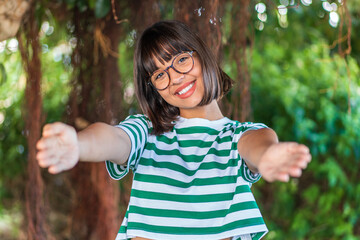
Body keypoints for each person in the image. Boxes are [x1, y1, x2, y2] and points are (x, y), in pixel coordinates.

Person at [36, 21, 311, 240]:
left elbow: (258, 144)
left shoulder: (237, 136)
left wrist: (268, 157)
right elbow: (113, 138)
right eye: (159, 75)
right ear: (154, 89)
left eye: (180, 60)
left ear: (202, 55)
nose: (175, 78)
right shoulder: (148, 133)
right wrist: (78, 144)